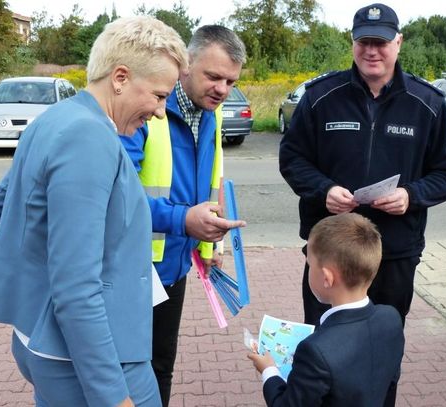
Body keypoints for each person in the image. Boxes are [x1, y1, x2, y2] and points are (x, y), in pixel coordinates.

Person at [0, 16, 188, 407]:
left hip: (43, 338)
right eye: (158, 95)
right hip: (94, 357)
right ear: (119, 77)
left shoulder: (54, 118)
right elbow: (76, 286)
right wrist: (112, 396)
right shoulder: (90, 138)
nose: (158, 111)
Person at [279, 3, 446, 328]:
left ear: (398, 42)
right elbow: (292, 159)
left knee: (384, 343)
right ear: (352, 42)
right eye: (364, 42)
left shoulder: (427, 104)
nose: (372, 50)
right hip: (330, 253)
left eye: (380, 42)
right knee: (324, 345)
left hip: (394, 253)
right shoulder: (321, 97)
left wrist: (411, 195)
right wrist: (324, 190)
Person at [120, 25, 247, 407]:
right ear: (186, 64)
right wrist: (183, 221)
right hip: (130, 269)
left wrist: (208, 237)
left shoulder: (212, 112)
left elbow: (208, 179)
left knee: (161, 365)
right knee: (121, 370)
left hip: (173, 267)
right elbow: (115, 197)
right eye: (214, 76)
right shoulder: (146, 107)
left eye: (230, 81)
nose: (222, 89)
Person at [248, 213, 405, 407]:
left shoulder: (315, 351)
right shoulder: (391, 318)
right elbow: (390, 379)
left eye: (310, 264)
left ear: (326, 278)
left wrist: (268, 371)